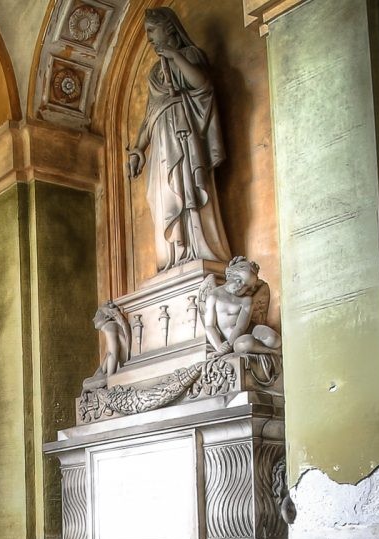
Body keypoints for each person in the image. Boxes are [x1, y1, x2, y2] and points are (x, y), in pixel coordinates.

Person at [127, 7, 230, 271]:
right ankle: (173, 257)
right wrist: (138, 147)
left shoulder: (190, 55)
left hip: (184, 137)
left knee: (186, 186)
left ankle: (197, 248)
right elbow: (150, 114)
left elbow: (202, 85)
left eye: (152, 30)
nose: (149, 37)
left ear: (169, 28)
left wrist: (174, 56)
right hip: (162, 139)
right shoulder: (154, 73)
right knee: (160, 194)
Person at [200, 256, 281, 356]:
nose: (241, 287)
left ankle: (264, 347)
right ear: (230, 274)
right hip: (237, 340)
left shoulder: (246, 300)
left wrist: (229, 344)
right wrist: (220, 347)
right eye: (239, 280)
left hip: (247, 331)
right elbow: (209, 326)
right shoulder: (214, 296)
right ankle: (272, 352)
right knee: (244, 344)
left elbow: (241, 327)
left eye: (246, 286)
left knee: (274, 340)